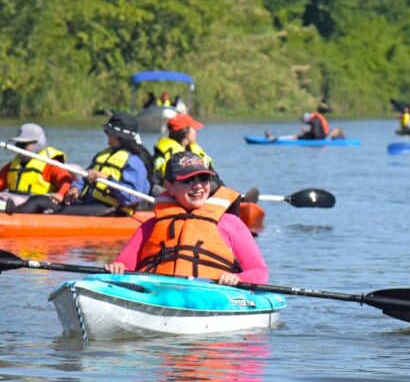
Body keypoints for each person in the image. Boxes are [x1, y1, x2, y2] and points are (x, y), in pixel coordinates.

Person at [105, 151, 268, 287]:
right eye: (188, 180)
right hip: (158, 293)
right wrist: (118, 267)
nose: (197, 186)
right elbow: (125, 264)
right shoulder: (150, 226)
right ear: (169, 186)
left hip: (213, 295)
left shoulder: (231, 224)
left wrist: (239, 278)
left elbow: (259, 272)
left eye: (203, 179)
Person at [39, 113, 156, 216]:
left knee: (62, 213)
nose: (107, 134)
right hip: (90, 203)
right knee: (39, 201)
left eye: (109, 132)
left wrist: (106, 179)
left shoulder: (135, 160)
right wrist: (75, 189)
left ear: (119, 136)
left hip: (114, 210)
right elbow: (85, 176)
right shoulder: (104, 154)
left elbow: (132, 197)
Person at [0, 123, 72, 201]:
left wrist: (60, 195)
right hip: (15, 209)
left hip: (40, 210)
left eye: (24, 145)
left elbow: (67, 182)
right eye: (18, 144)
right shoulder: (12, 167)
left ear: (38, 144)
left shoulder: (51, 165)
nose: (19, 148)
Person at [153, 113, 215, 182]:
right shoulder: (162, 154)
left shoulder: (199, 152)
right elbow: (154, 180)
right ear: (185, 131)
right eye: (194, 128)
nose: (197, 132)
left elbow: (215, 178)